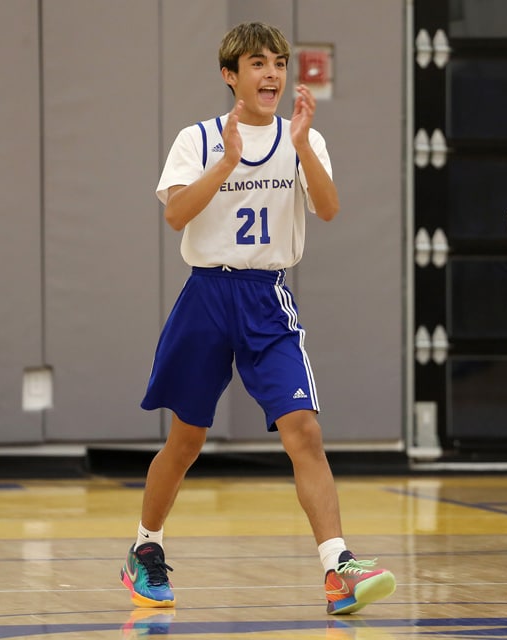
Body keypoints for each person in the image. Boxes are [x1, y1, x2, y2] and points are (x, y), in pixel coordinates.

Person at [119, 22, 396, 615]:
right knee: (186, 439)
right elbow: (176, 216)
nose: (272, 74)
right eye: (257, 63)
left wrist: (302, 146)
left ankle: (338, 568)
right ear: (230, 75)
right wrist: (226, 163)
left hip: (266, 298)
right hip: (206, 296)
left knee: (304, 431)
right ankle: (146, 547)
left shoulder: (302, 139)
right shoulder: (197, 139)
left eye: (279, 63)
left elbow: (328, 209)